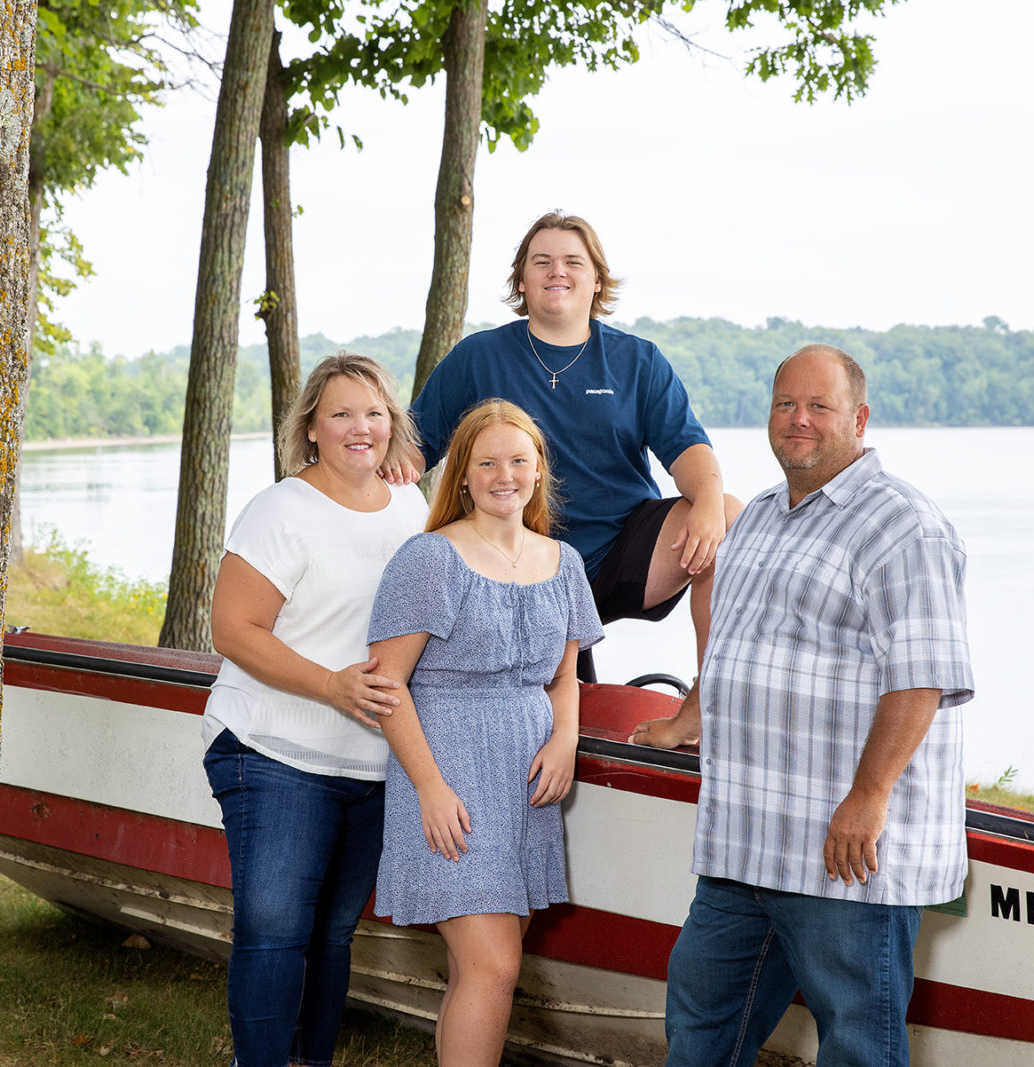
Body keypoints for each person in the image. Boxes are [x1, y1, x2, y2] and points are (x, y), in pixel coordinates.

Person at [631, 344, 975, 1066]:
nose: (799, 419)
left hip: (842, 853)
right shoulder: (758, 516)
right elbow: (735, 643)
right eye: (785, 403)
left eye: (820, 406)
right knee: (699, 1026)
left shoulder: (903, 525)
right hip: (746, 838)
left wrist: (868, 795)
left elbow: (922, 677)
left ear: (859, 418)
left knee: (857, 1043)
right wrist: (689, 717)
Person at [383, 211, 741, 707]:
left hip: (621, 552)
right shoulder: (478, 357)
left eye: (573, 261)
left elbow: (689, 450)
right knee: (557, 708)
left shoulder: (638, 361)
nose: (558, 271)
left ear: (597, 281)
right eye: (542, 261)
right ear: (521, 280)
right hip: (514, 559)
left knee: (729, 514)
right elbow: (410, 454)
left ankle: (707, 703)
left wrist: (708, 500)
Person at [200, 353, 429, 1067]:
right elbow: (232, 629)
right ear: (310, 427)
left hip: (372, 760)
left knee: (331, 934)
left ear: (392, 424)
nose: (360, 427)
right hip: (273, 747)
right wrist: (331, 686)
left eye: (374, 413)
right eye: (341, 414)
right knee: (274, 931)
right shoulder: (281, 510)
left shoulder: (412, 508)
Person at [367, 400, 603, 1066]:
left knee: (481, 970)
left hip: (526, 785)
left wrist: (565, 741)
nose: (505, 475)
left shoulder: (564, 561)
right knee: (493, 965)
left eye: (519, 460)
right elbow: (386, 687)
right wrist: (429, 788)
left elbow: (565, 678)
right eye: (488, 462)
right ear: (463, 475)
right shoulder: (430, 558)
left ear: (539, 469)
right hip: (451, 780)